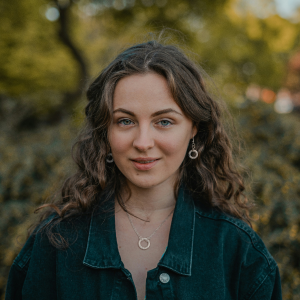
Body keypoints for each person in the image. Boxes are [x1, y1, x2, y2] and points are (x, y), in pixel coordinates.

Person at [5, 39, 282, 300]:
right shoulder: (55, 242)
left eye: (164, 122)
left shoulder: (239, 252)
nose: (143, 142)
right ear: (106, 130)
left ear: (194, 129)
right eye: (125, 121)